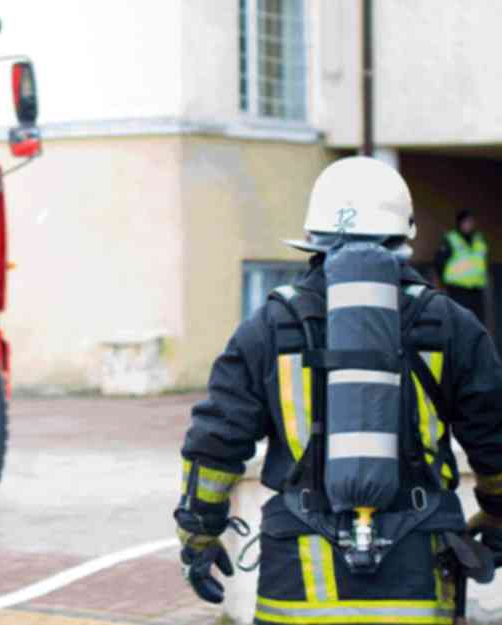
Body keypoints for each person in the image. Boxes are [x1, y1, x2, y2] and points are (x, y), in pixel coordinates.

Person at [174, 157, 502, 625]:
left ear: (315, 237)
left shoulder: (270, 326)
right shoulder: (450, 325)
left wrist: (198, 537)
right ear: (402, 235)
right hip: (418, 568)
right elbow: (493, 436)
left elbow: (214, 443)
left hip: (297, 581)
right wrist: (495, 519)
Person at [435, 209, 489, 323]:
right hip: (457, 290)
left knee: (478, 323)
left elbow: (483, 261)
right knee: (459, 323)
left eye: (470, 222)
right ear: (459, 223)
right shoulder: (451, 239)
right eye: (466, 222)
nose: (468, 225)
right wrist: (444, 283)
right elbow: (439, 263)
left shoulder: (479, 239)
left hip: (476, 290)